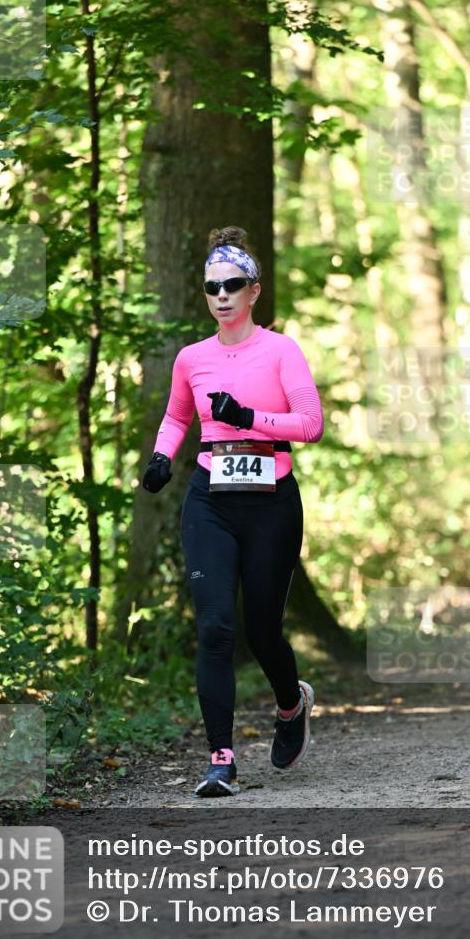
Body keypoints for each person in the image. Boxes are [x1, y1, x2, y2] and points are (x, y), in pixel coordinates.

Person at [142, 226, 324, 798]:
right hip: (211, 503)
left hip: (271, 503)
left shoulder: (281, 350)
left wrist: (249, 418)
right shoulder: (191, 358)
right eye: (211, 287)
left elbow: (311, 425)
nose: (221, 295)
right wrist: (161, 457)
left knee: (262, 629)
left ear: (254, 292)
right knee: (217, 628)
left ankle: (291, 703)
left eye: (233, 285)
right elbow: (177, 418)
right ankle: (221, 760)